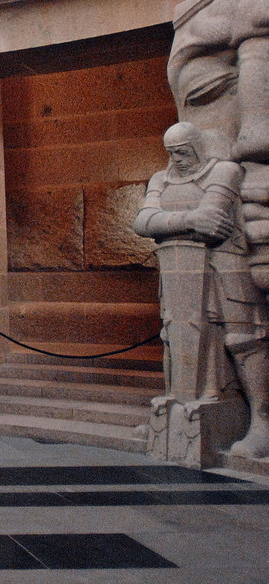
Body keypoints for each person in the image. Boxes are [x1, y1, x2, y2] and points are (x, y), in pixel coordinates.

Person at [134, 122, 269, 457]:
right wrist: (190, 221)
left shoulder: (223, 171)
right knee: (173, 336)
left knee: (243, 341)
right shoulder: (160, 179)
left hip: (227, 269)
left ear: (196, 146)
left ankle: (262, 421)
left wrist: (170, 222)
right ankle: (180, 405)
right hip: (180, 273)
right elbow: (142, 221)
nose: (176, 159)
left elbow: (213, 217)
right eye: (170, 153)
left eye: (182, 151)